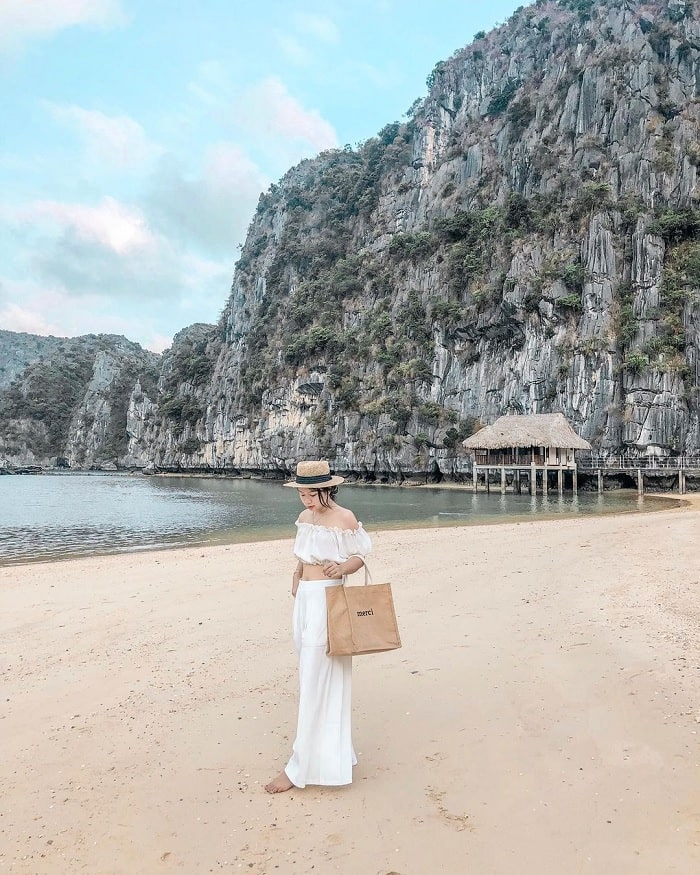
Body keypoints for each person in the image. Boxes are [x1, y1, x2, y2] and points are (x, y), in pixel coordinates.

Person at [265, 460, 372, 794]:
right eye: (302, 494)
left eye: (312, 494)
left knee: (316, 678)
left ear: (328, 489)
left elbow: (361, 556)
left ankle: (299, 767)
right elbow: (302, 553)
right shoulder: (304, 517)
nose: (306, 500)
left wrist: (342, 568)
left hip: (329, 600)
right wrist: (296, 576)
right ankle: (335, 752)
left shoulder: (345, 518)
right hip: (305, 600)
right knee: (311, 674)